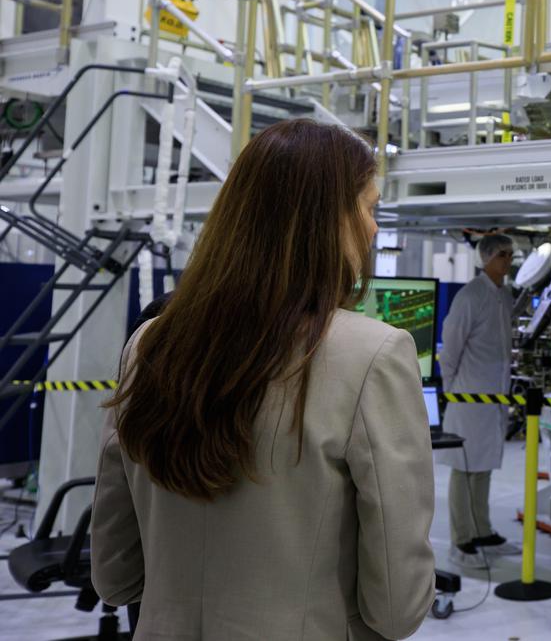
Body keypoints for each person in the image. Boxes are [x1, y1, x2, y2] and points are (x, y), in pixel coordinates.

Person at [91, 119, 435, 640]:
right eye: (368, 207)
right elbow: (396, 607)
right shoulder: (374, 354)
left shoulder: (149, 344)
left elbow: (114, 577)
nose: (373, 228)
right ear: (326, 220)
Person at [438, 232, 520, 569]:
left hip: (493, 396)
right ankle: (462, 542)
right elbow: (451, 346)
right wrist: (450, 392)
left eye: (510, 254)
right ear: (486, 258)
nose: (508, 260)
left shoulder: (504, 294)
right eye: (503, 254)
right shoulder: (470, 296)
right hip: (468, 395)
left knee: (483, 466)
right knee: (465, 468)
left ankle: (482, 532)